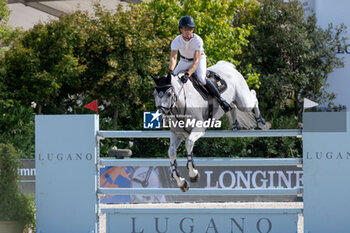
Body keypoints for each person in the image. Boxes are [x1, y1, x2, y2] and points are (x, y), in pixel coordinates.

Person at [168, 16, 232, 112]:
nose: (189, 31)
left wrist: (187, 74)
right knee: (170, 80)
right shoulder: (176, 41)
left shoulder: (198, 40)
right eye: (186, 29)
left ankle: (221, 100)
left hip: (199, 59)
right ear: (181, 29)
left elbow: (196, 61)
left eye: (191, 29)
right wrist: (171, 70)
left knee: (201, 78)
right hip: (183, 61)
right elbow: (173, 57)